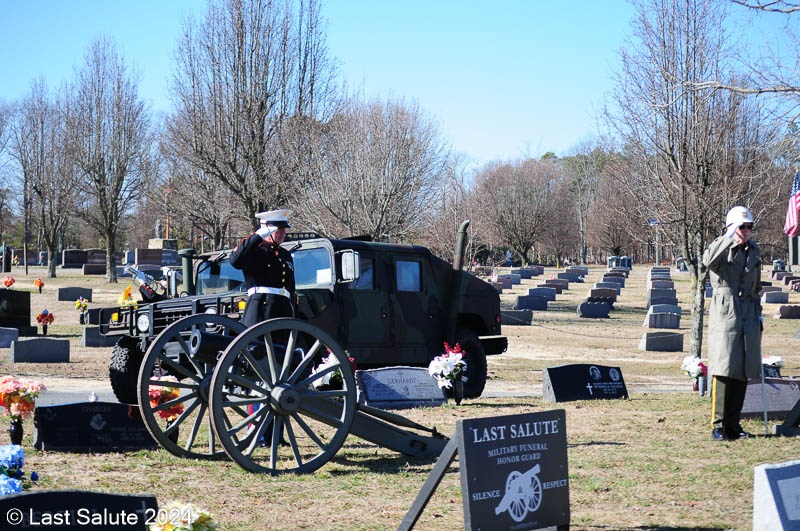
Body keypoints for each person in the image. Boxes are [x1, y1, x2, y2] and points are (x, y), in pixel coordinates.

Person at [702, 205, 763, 441]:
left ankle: (734, 424)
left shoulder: (754, 250)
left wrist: (757, 313)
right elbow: (708, 260)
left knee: (743, 368)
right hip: (726, 311)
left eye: (749, 226)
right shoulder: (722, 247)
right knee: (724, 367)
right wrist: (728, 237)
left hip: (748, 311)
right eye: (741, 226)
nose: (746, 230)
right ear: (731, 227)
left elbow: (756, 284)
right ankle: (718, 425)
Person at [230, 208, 296, 327]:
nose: (283, 233)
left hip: (283, 309)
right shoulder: (253, 250)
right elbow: (235, 261)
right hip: (260, 308)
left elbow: (291, 288)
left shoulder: (285, 254)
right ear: (266, 230)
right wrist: (257, 236)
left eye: (284, 230)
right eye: (278, 230)